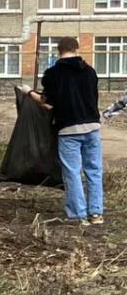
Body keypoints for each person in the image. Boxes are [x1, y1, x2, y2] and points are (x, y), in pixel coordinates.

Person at [29, 37, 103, 225]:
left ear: (58, 51)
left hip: (69, 130)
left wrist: (28, 93)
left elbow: (48, 103)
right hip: (93, 127)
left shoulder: (53, 74)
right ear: (77, 49)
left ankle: (78, 216)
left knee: (72, 172)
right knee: (94, 170)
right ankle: (96, 214)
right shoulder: (90, 72)